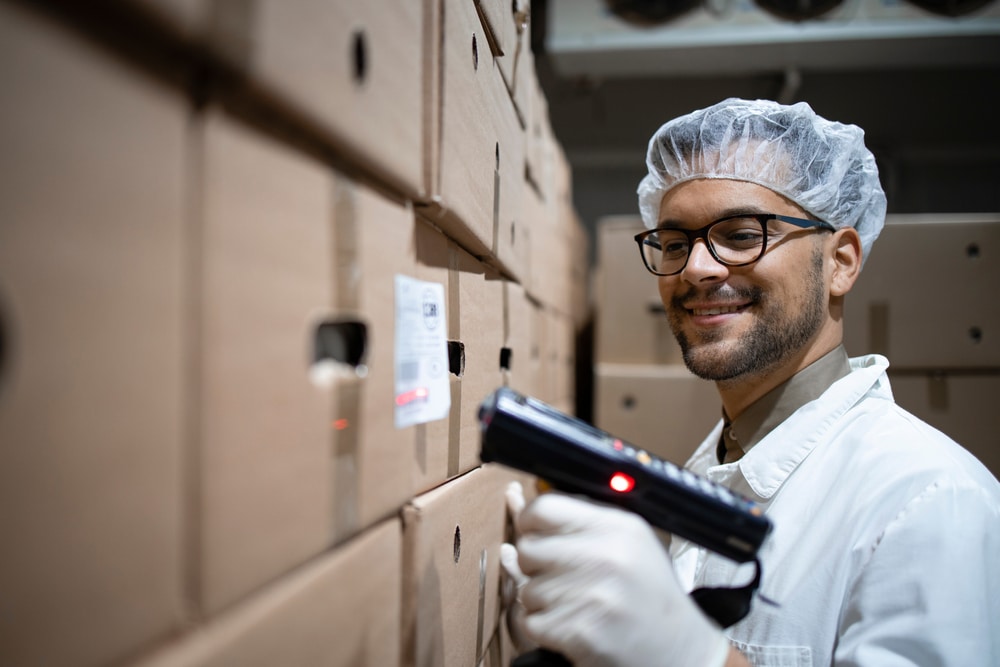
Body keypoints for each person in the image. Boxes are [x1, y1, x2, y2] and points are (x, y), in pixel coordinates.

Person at [500, 98, 1000, 667]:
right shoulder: (713, 466)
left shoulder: (929, 500)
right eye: (674, 243)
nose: (696, 269)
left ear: (840, 262)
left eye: (741, 234)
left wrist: (694, 655)